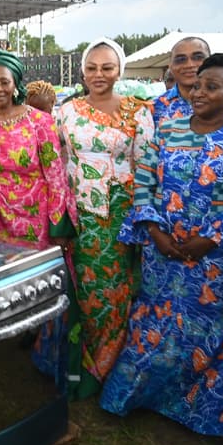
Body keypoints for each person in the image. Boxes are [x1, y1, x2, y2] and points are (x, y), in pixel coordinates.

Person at [100, 52, 223, 437]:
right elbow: (145, 185)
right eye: (197, 85)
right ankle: (143, 397)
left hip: (217, 256)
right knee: (158, 322)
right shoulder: (167, 131)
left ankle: (204, 412)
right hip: (162, 248)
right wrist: (157, 233)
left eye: (211, 87)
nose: (198, 93)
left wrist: (208, 238)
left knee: (206, 328)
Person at [54, 38, 155, 399]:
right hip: (82, 218)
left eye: (107, 67)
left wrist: (142, 217)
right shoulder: (66, 112)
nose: (99, 74)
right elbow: (57, 164)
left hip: (121, 217)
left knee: (118, 290)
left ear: (119, 70)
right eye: (92, 67)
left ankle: (109, 364)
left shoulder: (138, 111)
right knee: (87, 289)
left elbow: (146, 166)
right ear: (82, 70)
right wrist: (60, 215)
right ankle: (87, 360)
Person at [0, 50, 77, 250]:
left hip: (39, 220)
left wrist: (58, 228)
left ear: (15, 83)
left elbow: (56, 178)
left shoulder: (40, 121)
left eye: (4, 82)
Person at [152, 36, 211, 125]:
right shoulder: (155, 107)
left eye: (198, 57)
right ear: (170, 67)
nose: (189, 65)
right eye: (181, 60)